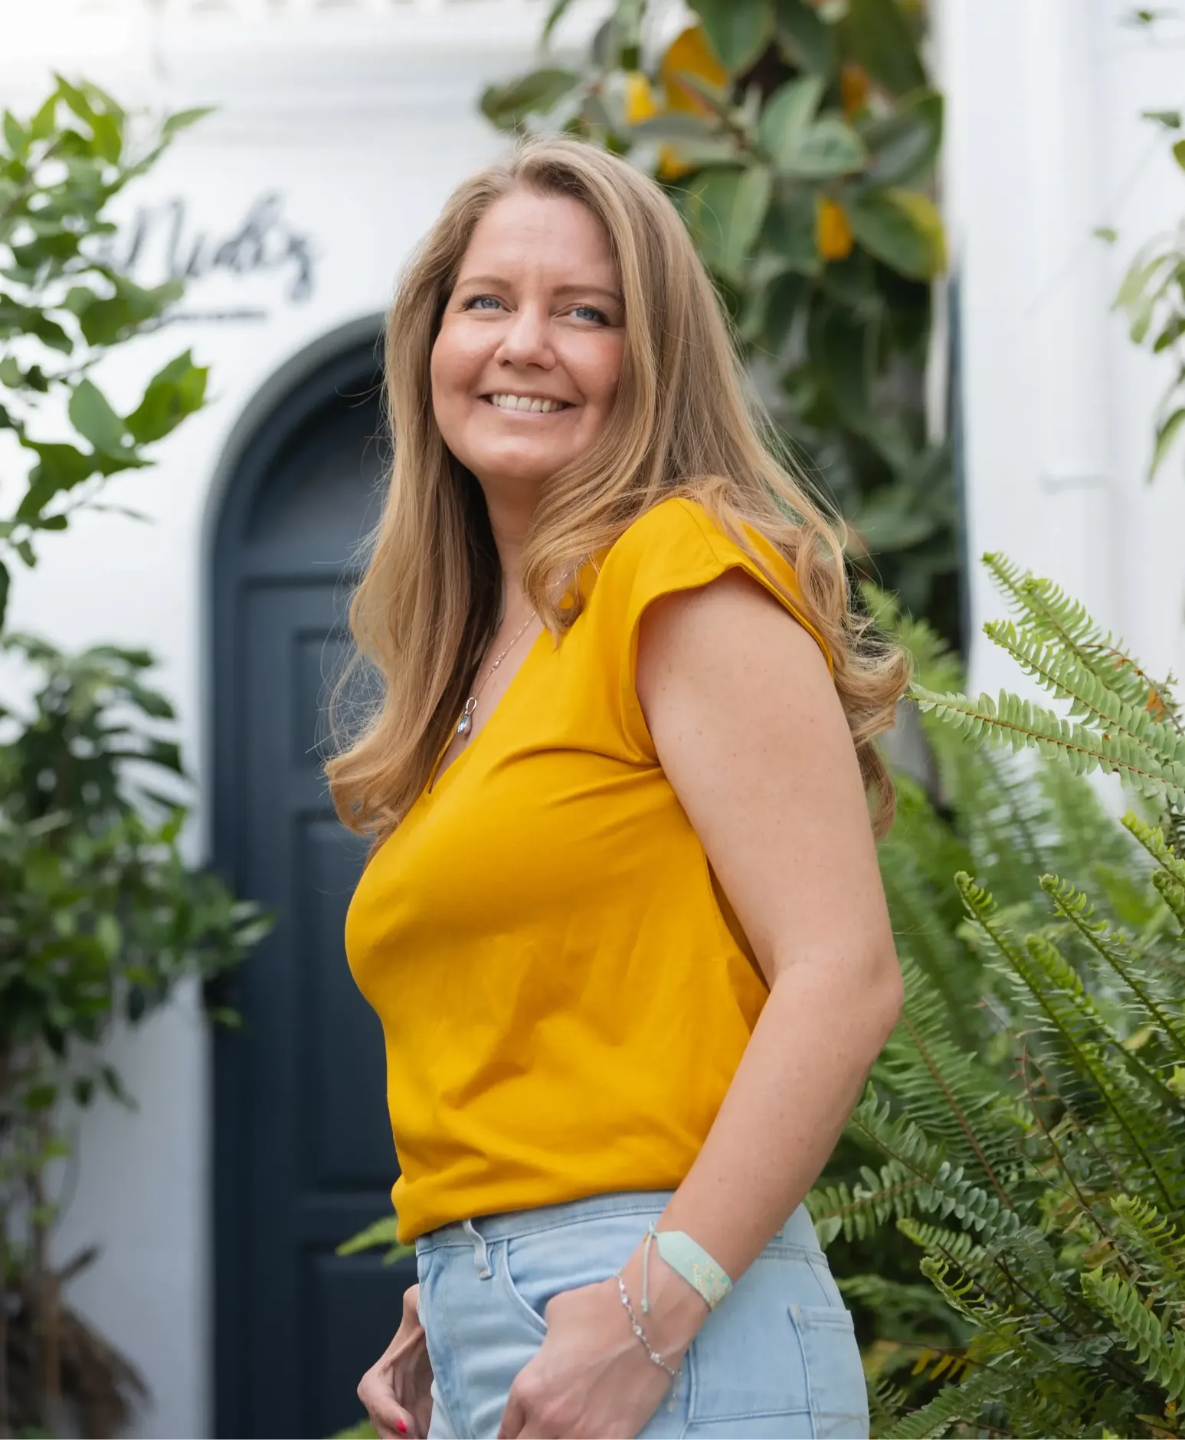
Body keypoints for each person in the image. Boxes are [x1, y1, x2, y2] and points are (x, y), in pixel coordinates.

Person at [329, 136, 907, 1440]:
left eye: (585, 313)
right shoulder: (486, 663)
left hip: (674, 1329)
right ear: (432, 343)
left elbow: (845, 974)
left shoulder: (677, 571)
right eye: (488, 301)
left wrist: (649, 1305)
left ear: (653, 363)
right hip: (519, 1329)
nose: (525, 344)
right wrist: (461, 1279)